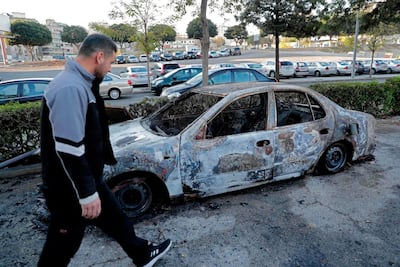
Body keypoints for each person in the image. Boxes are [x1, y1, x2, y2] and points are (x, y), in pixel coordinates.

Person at [38, 33, 171, 267]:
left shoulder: (81, 82)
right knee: (61, 246)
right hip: (69, 187)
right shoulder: (70, 87)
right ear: (100, 56)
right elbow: (69, 148)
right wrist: (87, 194)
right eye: (110, 62)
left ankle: (141, 254)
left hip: (87, 178)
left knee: (117, 219)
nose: (110, 68)